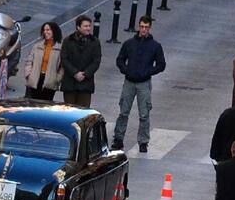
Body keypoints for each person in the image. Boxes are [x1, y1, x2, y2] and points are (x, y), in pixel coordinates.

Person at [113, 16, 167, 152]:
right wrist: (126, 70)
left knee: (144, 114)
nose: (143, 29)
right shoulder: (129, 43)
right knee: (123, 112)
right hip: (129, 82)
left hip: (144, 83)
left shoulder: (155, 46)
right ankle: (118, 139)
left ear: (149, 28)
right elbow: (120, 59)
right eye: (142, 27)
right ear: (138, 26)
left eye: (146, 27)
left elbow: (161, 65)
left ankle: (143, 142)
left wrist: (148, 72)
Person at [60, 16, 102, 108]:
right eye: (85, 26)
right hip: (70, 83)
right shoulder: (68, 40)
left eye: (89, 26)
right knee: (69, 111)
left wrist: (85, 74)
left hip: (86, 83)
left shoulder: (95, 42)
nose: (88, 28)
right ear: (78, 27)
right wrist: (75, 73)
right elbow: (64, 59)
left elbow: (96, 61)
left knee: (83, 113)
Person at [22, 21, 65, 101]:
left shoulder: (60, 48)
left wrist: (57, 79)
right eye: (44, 30)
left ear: (54, 31)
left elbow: (62, 67)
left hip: (50, 82)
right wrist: (28, 74)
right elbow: (29, 61)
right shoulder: (37, 46)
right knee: (31, 105)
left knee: (45, 107)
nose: (45, 32)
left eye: (48, 30)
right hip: (34, 79)